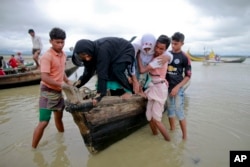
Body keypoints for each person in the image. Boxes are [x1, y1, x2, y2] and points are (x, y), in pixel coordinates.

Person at [32, 27, 71, 148]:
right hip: (47, 92)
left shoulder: (63, 54)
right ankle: (33, 149)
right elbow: (44, 77)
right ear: (51, 41)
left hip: (58, 92)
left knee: (59, 118)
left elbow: (61, 70)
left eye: (62, 42)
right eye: (57, 42)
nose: (60, 45)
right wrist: (61, 84)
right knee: (44, 122)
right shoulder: (47, 56)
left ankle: (61, 142)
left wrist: (67, 80)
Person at [72, 37, 140, 105]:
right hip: (112, 55)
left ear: (90, 51)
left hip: (125, 50)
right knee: (109, 73)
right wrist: (76, 86)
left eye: (88, 56)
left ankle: (129, 91)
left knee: (116, 71)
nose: (87, 59)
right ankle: (114, 91)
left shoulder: (102, 50)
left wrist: (100, 95)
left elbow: (102, 73)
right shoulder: (91, 53)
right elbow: (87, 73)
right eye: (84, 57)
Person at [137, 35, 172, 141]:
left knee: (156, 119)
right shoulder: (155, 56)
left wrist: (138, 56)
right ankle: (155, 135)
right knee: (149, 117)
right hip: (153, 87)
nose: (157, 50)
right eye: (156, 47)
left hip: (159, 89)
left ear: (166, 50)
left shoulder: (160, 59)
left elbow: (142, 70)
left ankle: (168, 141)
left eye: (161, 49)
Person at [165, 32, 191, 140]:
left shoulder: (185, 57)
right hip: (166, 87)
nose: (173, 46)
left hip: (178, 87)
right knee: (170, 110)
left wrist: (177, 87)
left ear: (182, 43)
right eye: (172, 44)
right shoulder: (167, 55)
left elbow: (188, 76)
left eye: (176, 44)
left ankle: (185, 137)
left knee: (179, 110)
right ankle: (172, 131)